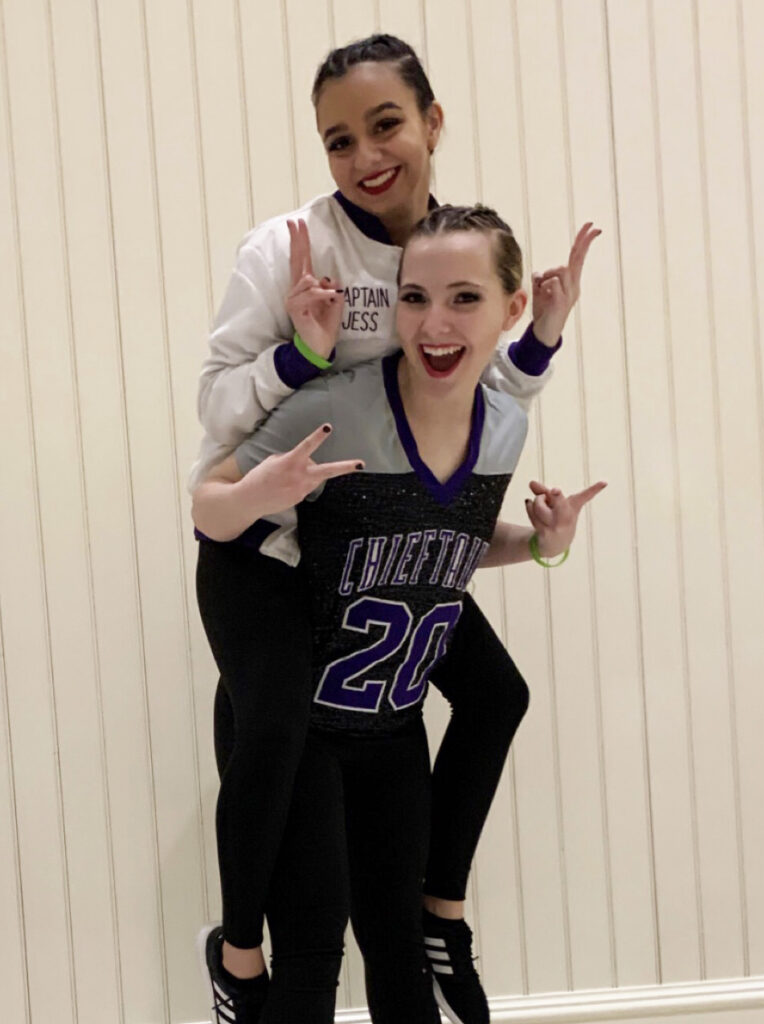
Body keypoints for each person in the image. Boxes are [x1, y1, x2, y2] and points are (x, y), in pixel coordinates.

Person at [190, 33, 600, 1024]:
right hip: (278, 545)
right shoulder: (290, 249)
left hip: (376, 546)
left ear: (432, 122)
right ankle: (238, 952)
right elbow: (215, 433)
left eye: (386, 125)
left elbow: (476, 404)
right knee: (280, 736)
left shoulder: (454, 248)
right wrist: (299, 349)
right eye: (339, 140)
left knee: (495, 691)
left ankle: (438, 913)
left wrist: (538, 340)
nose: (367, 155)